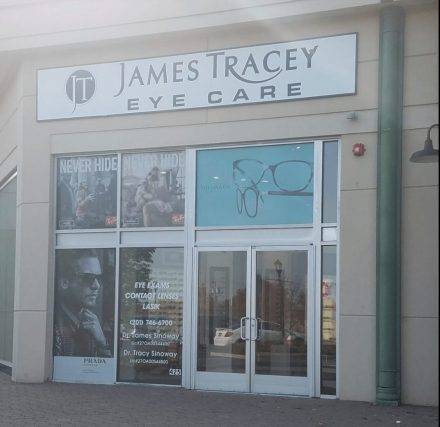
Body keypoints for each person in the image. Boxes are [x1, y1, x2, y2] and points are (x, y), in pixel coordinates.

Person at [54, 250, 112, 357]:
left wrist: (102, 343)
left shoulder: (93, 323)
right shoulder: (54, 325)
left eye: (99, 278)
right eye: (88, 278)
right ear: (65, 283)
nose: (96, 286)